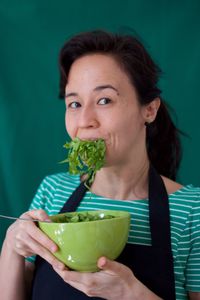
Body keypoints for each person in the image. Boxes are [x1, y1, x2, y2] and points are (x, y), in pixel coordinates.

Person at [0, 30, 200, 300]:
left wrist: (134, 295)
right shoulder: (52, 191)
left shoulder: (192, 212)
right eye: (74, 103)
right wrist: (12, 247)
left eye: (104, 100)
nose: (85, 120)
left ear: (149, 110)